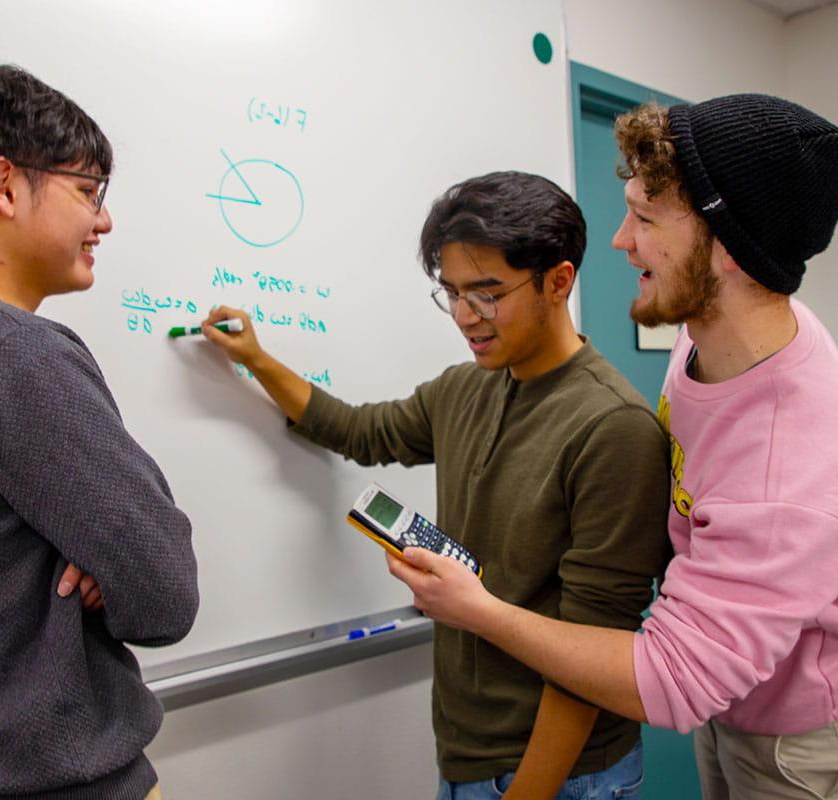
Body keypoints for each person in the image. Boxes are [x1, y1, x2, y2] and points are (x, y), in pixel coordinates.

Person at [388, 94, 838, 800]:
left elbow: (669, 680)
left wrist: (478, 609)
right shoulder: (710, 333)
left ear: (728, 247)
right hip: (739, 706)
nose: (619, 240)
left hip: (820, 747)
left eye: (645, 218)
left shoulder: (794, 463)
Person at [198, 171, 670, 799]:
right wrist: (256, 359)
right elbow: (357, 430)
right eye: (451, 293)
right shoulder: (464, 388)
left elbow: (594, 655)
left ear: (558, 281)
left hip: (564, 774)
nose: (465, 317)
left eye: (487, 294)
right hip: (465, 756)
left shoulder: (614, 428)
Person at [0, 61, 198, 799]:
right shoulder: (15, 354)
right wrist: (111, 561)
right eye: (88, 192)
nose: (104, 219)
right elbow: (166, 591)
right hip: (44, 783)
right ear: (5, 185)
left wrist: (96, 554)